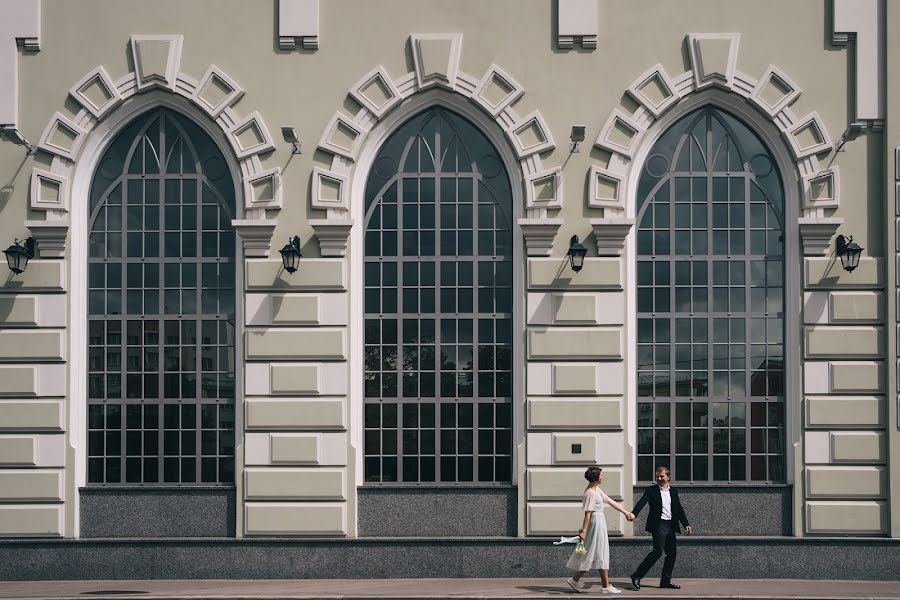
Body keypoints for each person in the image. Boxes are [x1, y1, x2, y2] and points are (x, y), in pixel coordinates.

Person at [565, 466, 635, 594]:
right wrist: (584, 531)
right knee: (597, 552)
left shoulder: (596, 490)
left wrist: (626, 513)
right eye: (601, 475)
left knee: (597, 552)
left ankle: (579, 581)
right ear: (596, 477)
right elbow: (587, 514)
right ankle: (604, 586)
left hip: (599, 522)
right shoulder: (590, 493)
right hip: (595, 523)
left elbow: (610, 501)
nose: (603, 477)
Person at [627, 465, 692, 590]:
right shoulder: (651, 490)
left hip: (671, 525)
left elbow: (678, 509)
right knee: (658, 551)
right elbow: (642, 502)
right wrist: (634, 513)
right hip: (658, 524)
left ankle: (665, 581)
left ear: (668, 477)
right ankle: (637, 575)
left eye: (661, 476)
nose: (658, 478)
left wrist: (686, 524)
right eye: (657, 476)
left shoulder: (673, 491)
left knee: (672, 553)